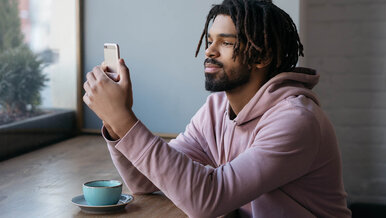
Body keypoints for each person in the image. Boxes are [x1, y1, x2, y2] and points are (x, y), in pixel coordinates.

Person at [83, 0, 351, 217]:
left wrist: (124, 118)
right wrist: (114, 120)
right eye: (210, 40)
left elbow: (208, 200)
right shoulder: (217, 108)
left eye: (226, 42)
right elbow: (145, 181)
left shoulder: (295, 120)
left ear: (262, 56)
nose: (209, 51)